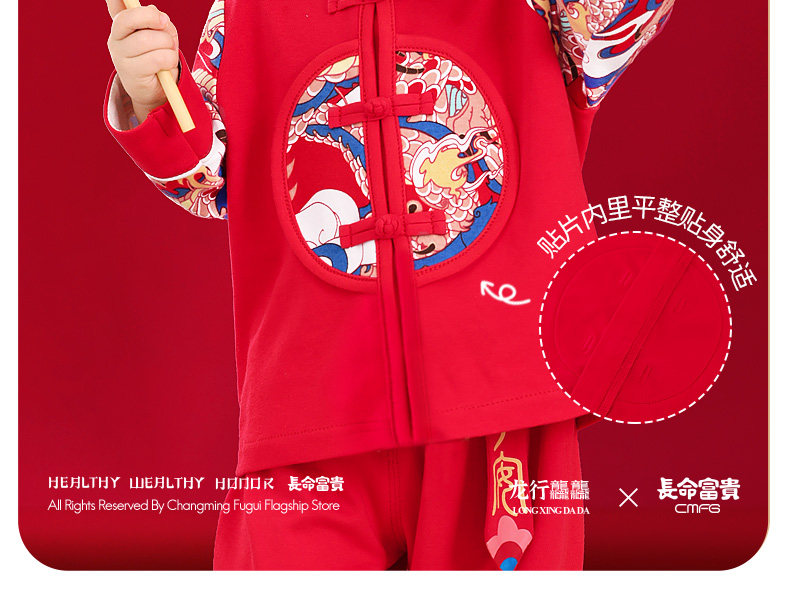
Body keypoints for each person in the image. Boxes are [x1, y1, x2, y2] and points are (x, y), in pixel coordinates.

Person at [104, 0, 675, 570]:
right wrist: (152, 95)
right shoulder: (245, 11)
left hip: (501, 406)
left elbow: (613, 26)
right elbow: (210, 179)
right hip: (305, 410)